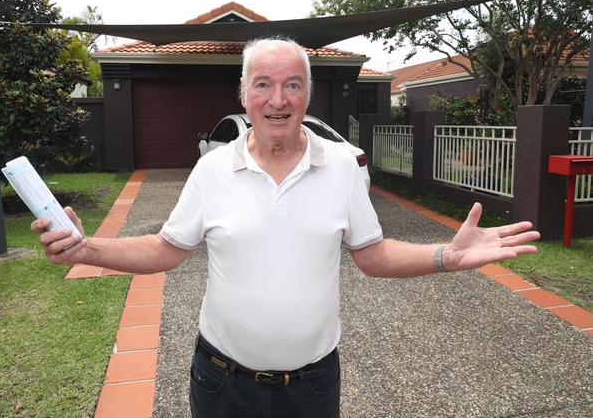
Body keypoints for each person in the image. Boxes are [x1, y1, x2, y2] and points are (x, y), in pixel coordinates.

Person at [31, 38, 540, 418]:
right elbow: (167, 249)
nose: (279, 98)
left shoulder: (340, 166)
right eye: (264, 84)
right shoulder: (213, 170)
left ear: (307, 95)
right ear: (244, 94)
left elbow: (372, 255)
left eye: (292, 84)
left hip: (313, 387)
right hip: (222, 383)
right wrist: (86, 249)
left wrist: (445, 257)